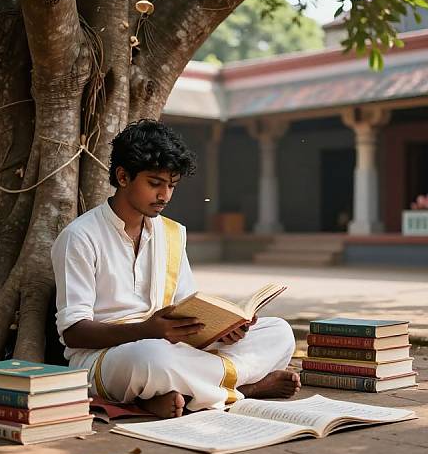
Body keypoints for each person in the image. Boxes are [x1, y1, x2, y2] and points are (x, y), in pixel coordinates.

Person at [51, 119, 300, 418]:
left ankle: (182, 394)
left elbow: (188, 310)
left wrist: (223, 331)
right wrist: (146, 331)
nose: (165, 196)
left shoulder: (171, 233)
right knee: (152, 358)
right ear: (123, 176)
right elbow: (74, 333)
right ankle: (246, 390)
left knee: (279, 333)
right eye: (155, 183)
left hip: (172, 347)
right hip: (110, 358)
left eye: (171, 185)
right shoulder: (79, 236)